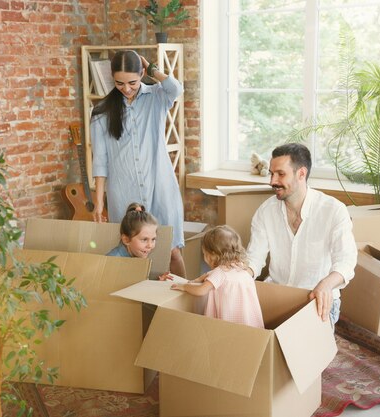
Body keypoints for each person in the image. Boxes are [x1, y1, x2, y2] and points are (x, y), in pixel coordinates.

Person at [90, 49, 186, 277]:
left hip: (161, 188)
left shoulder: (157, 97)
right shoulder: (102, 111)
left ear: (142, 73)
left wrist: (152, 67)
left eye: (132, 82)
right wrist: (99, 202)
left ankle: (186, 299)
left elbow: (176, 88)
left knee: (172, 252)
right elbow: (100, 160)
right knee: (132, 256)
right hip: (123, 192)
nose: (126, 88)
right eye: (119, 83)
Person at [246, 143, 357, 327]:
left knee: (300, 351)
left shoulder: (333, 210)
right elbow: (254, 259)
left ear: (301, 174)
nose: (272, 181)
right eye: (272, 173)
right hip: (276, 295)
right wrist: (236, 277)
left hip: (315, 299)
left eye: (280, 174)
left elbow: (346, 261)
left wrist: (327, 284)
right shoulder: (265, 211)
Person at [171, 225, 264, 329]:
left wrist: (184, 287)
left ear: (212, 255)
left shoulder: (220, 273)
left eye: (204, 254)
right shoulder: (242, 268)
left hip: (228, 324)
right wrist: (199, 279)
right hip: (248, 322)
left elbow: (201, 290)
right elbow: (211, 275)